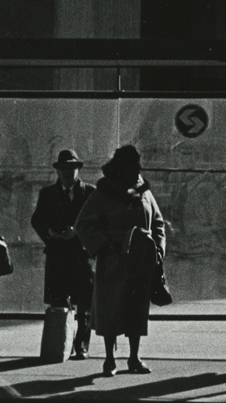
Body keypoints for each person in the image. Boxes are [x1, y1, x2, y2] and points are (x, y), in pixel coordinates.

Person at [75, 144, 166, 377]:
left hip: (140, 262)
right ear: (121, 167)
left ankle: (134, 357)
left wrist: (157, 250)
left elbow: (158, 222)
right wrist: (104, 245)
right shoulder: (104, 192)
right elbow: (83, 224)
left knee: (136, 310)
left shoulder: (144, 190)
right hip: (113, 260)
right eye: (133, 165)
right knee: (110, 309)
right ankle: (109, 359)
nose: (138, 170)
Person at [30, 149, 94, 359]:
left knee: (84, 302)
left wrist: (77, 232)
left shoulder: (90, 193)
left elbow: (97, 222)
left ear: (78, 170)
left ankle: (81, 345)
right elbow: (37, 220)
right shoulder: (47, 193)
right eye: (64, 169)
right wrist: (50, 232)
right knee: (58, 302)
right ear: (58, 171)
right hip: (58, 255)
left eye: (71, 169)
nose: (67, 173)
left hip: (80, 255)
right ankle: (59, 343)